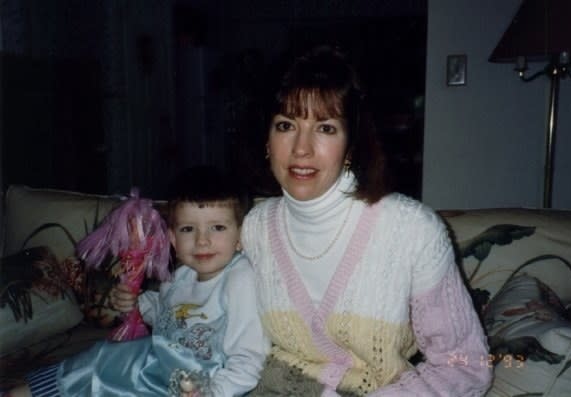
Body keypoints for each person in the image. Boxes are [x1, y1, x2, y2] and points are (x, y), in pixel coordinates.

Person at [240, 45, 493, 396]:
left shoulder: (412, 230)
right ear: (267, 140)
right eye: (286, 125)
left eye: (325, 128)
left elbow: (466, 367)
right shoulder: (253, 228)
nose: (301, 148)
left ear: (352, 146)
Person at [10, 166, 267, 397]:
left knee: (110, 359)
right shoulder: (179, 277)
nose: (202, 240)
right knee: (108, 360)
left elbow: (248, 356)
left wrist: (214, 392)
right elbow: (168, 316)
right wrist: (136, 304)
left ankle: (33, 392)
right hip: (162, 375)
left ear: (241, 236)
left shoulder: (239, 278)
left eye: (217, 228)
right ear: (173, 239)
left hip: (205, 381)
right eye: (188, 229)